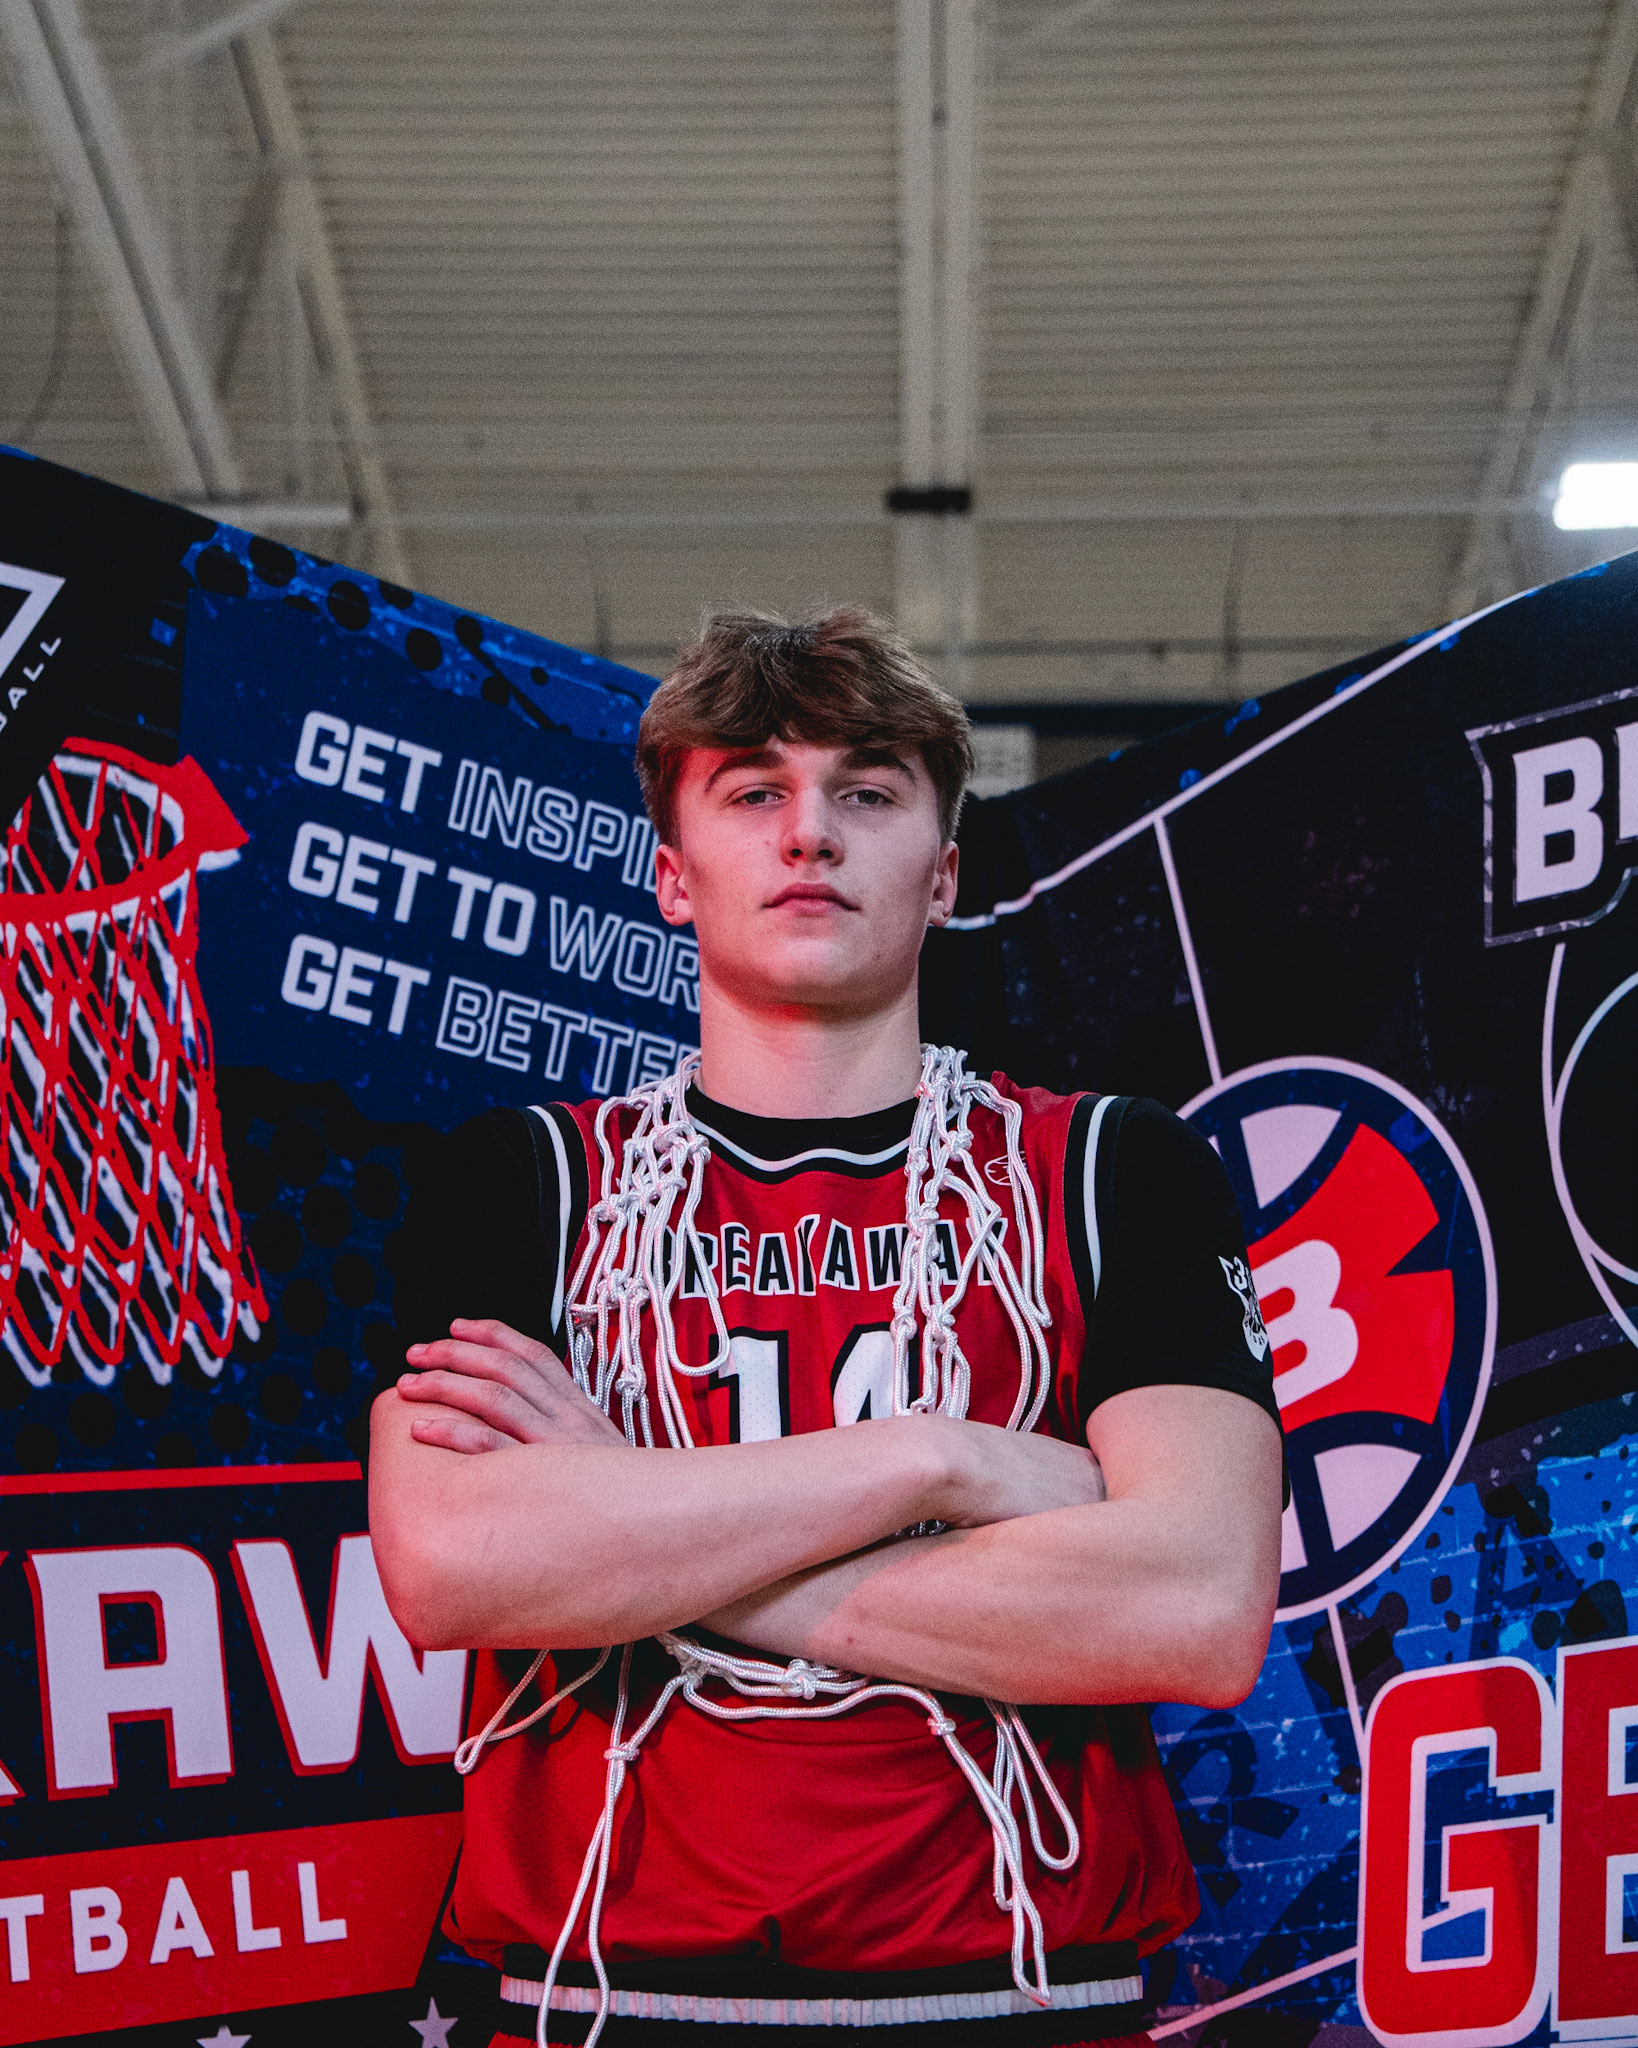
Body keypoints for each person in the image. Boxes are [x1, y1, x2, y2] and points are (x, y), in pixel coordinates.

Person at [372, 607, 1283, 2048]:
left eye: (865, 793)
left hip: (1024, 1991)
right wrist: (940, 1460)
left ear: (944, 873)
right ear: (673, 877)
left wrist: (630, 1529)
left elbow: (1197, 1612)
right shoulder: (524, 1178)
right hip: (608, 1996)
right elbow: (453, 1567)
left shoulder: (1113, 1169)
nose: (809, 834)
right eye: (754, 793)